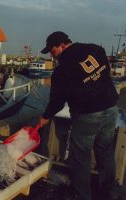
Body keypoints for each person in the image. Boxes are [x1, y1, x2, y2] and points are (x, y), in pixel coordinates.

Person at [38, 31, 121, 200]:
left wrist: (45, 117)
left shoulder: (61, 71)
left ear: (62, 45)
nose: (54, 58)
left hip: (87, 115)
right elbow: (104, 70)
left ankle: (82, 195)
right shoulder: (95, 49)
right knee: (105, 151)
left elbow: (57, 101)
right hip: (111, 109)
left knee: (81, 156)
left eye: (53, 52)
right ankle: (111, 191)